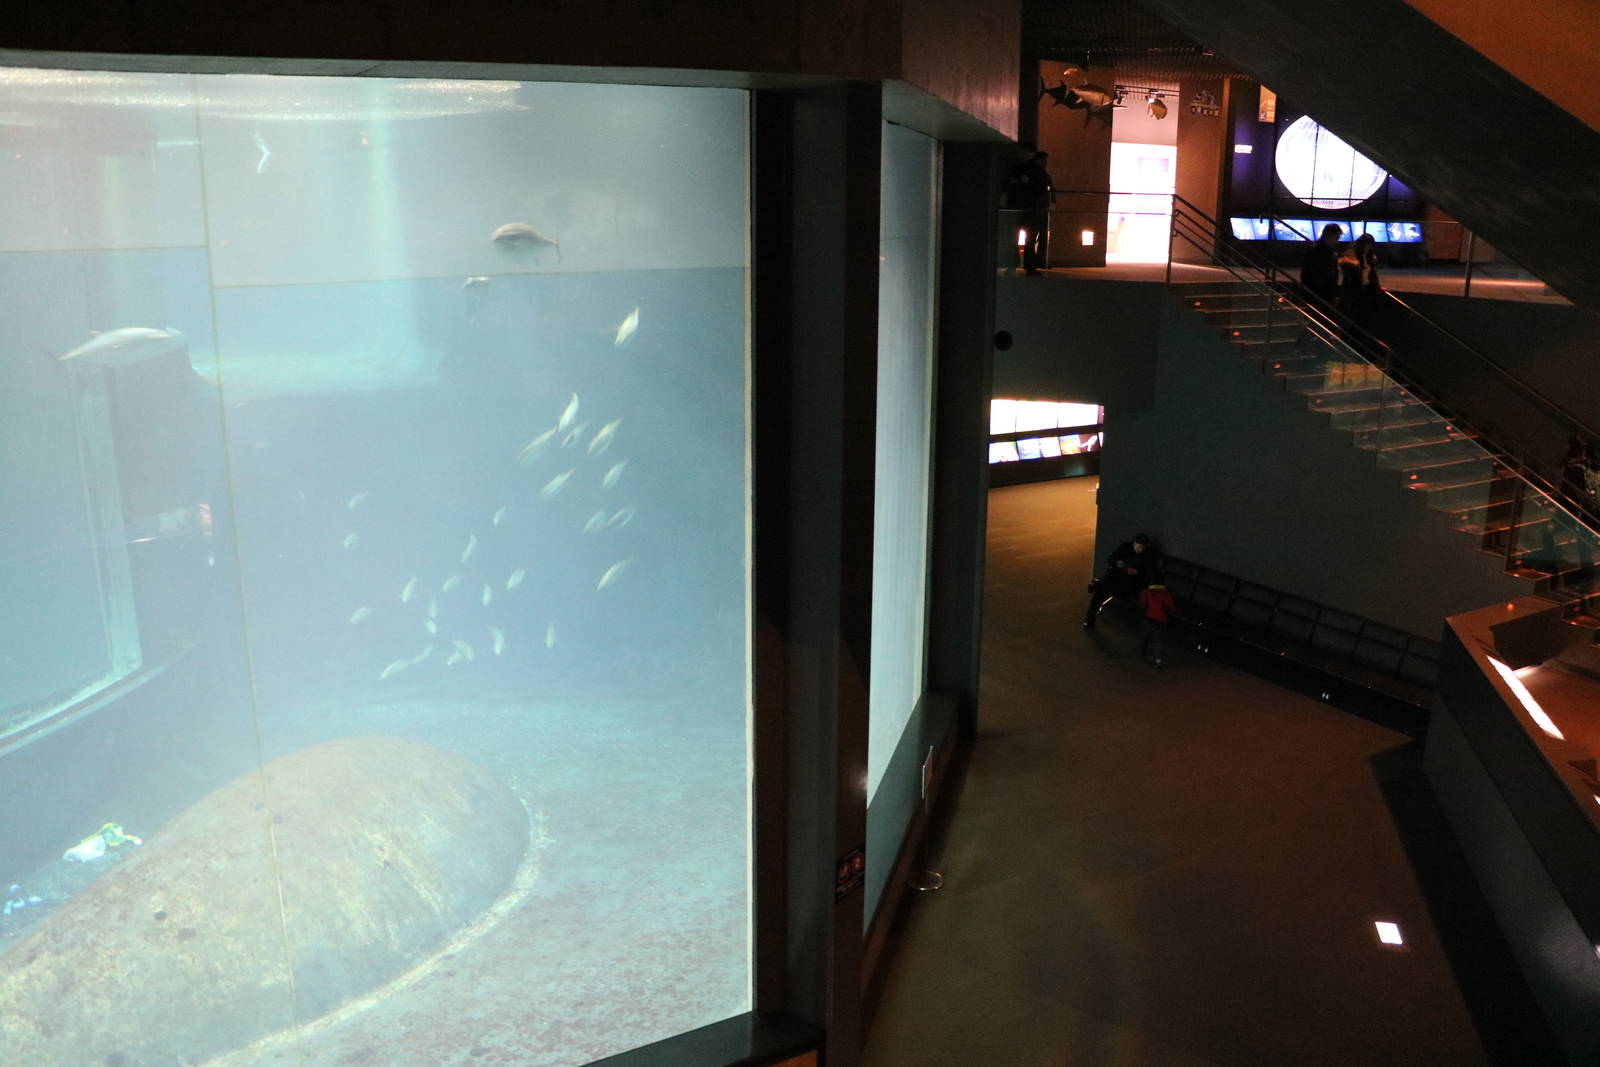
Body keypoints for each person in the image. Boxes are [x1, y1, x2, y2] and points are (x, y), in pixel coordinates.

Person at [1083, 533, 1158, 629]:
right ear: (1133, 543)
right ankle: (1091, 615)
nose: (1137, 549)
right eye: (1135, 546)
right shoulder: (1126, 547)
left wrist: (1137, 572)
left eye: (1140, 547)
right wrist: (1117, 562)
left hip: (1132, 582)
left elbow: (1149, 573)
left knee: (1101, 588)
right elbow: (1111, 558)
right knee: (1102, 588)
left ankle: (1096, 588)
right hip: (1117, 575)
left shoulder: (1148, 555)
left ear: (1145, 547)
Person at [1001, 144, 1055, 275]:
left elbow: (1006, 184)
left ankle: (1015, 265)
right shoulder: (1038, 171)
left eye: (1025, 153)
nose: (1023, 155)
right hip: (1030, 208)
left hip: (1019, 207)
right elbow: (1044, 188)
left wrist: (1019, 183)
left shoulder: (1019, 169)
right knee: (1029, 238)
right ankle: (1029, 267)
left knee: (1017, 237)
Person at [1337, 232, 1382, 328]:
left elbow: (1372, 275)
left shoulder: (1369, 257)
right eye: (1367, 245)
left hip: (1367, 288)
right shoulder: (1353, 257)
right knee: (1356, 316)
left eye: (1370, 245)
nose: (1368, 248)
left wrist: (1376, 286)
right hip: (1356, 290)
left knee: (1365, 316)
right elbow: (1348, 273)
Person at [1299, 223, 1343, 307]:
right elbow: (1307, 273)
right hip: (1318, 291)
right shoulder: (1316, 251)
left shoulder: (1326, 251)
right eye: (1336, 238)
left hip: (1324, 291)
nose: (1336, 241)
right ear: (1328, 236)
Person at [1137, 576, 1178, 666]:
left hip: (1148, 618)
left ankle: (1142, 652)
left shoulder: (1146, 592)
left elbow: (1142, 604)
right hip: (1161, 620)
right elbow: (1170, 607)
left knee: (1145, 637)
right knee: (1157, 641)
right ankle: (1158, 660)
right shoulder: (1166, 594)